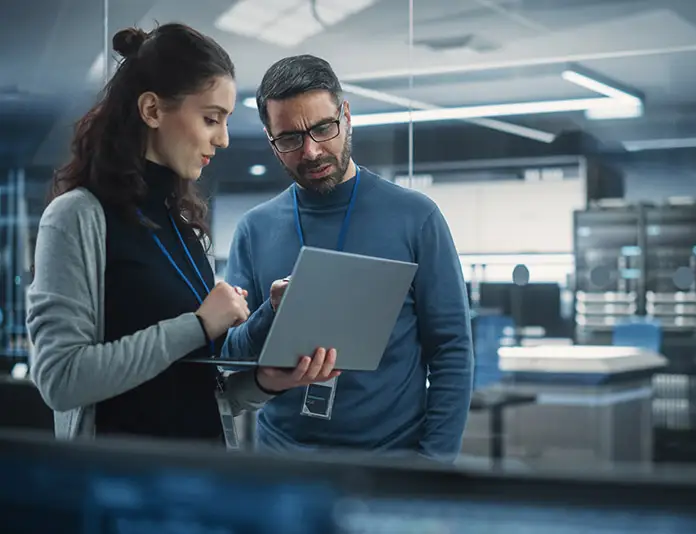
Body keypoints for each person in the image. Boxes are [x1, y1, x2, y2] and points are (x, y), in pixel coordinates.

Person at [26, 25, 338, 445]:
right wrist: (198, 324)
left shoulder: (188, 229)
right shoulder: (76, 217)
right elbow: (60, 380)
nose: (223, 139)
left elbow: (200, 390)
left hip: (201, 482)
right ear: (152, 110)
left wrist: (265, 381)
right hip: (116, 491)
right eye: (211, 119)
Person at [222, 54, 474, 462]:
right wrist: (271, 312)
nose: (311, 151)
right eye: (289, 138)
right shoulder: (255, 229)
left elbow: (452, 349)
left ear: (347, 116)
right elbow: (233, 355)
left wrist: (434, 464)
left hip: (392, 462)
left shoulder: (415, 217)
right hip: (283, 463)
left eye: (323, 128)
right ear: (271, 141)